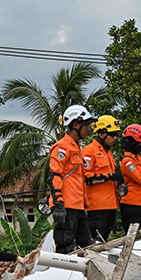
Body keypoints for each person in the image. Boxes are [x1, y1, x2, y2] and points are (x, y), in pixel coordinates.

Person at [49, 105, 95, 253]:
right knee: (65, 246)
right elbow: (54, 176)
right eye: (86, 125)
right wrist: (59, 204)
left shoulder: (77, 149)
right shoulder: (62, 147)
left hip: (78, 207)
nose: (88, 129)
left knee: (86, 245)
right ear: (76, 125)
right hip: (66, 207)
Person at [83, 115, 122, 242]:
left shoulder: (108, 153)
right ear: (101, 134)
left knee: (104, 240)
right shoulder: (89, 151)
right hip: (97, 206)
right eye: (113, 134)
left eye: (117, 135)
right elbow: (85, 177)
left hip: (111, 204)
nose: (115, 138)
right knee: (94, 241)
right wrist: (107, 177)